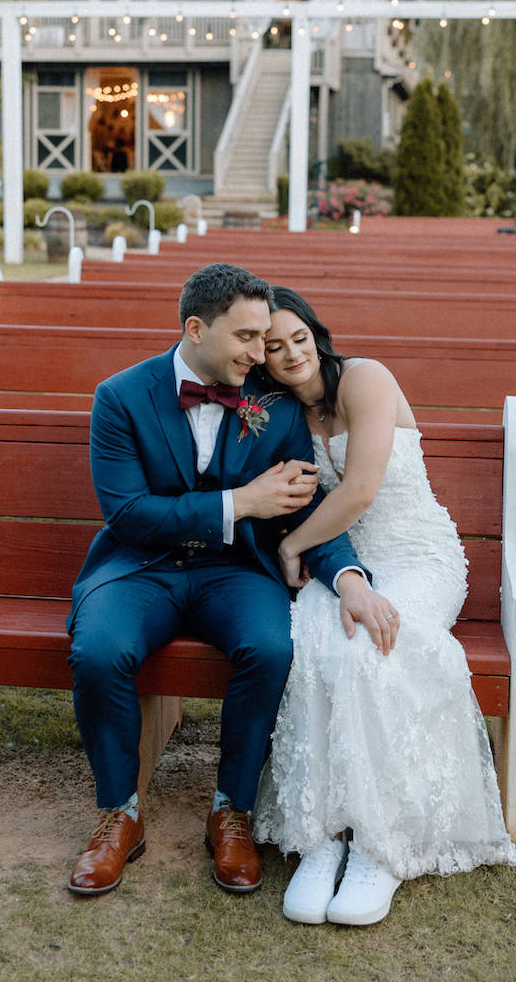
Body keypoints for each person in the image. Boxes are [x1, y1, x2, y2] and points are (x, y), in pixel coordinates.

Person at [66, 264, 388, 898]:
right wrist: (238, 503)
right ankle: (119, 815)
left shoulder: (271, 406)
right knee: (99, 651)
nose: (259, 353)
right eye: (245, 338)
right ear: (195, 328)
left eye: (264, 336)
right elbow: (126, 514)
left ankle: (232, 808)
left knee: (271, 647)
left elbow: (301, 504)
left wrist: (348, 576)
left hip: (235, 571)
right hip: (141, 566)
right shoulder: (121, 396)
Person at [254, 286, 516, 927]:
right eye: (272, 347)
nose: (292, 354)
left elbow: (364, 488)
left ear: (316, 332)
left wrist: (294, 545)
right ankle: (325, 836)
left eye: (299, 337)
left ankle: (381, 846)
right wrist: (322, 562)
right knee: (315, 643)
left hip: (417, 558)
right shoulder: (279, 414)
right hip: (343, 564)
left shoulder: (366, 379)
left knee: (378, 647)